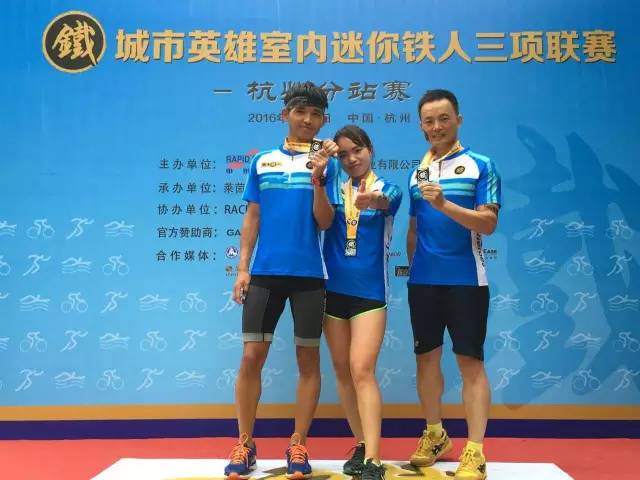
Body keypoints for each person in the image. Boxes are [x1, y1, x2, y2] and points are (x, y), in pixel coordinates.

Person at [223, 81, 340, 480]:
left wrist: (319, 179)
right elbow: (252, 217)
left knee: (308, 360)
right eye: (300, 112)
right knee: (250, 358)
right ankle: (244, 443)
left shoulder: (328, 163)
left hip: (309, 277)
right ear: (285, 114)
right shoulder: (263, 162)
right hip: (265, 276)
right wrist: (243, 269)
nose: (307, 120)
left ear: (323, 120)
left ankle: (298, 443)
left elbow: (325, 221)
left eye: (316, 114)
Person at [406, 89, 501, 480]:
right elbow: (414, 230)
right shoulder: (417, 172)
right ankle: (435, 435)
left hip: (467, 281)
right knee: (426, 360)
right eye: (429, 121)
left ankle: (475, 451)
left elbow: (488, 224)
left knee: (470, 364)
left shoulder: (481, 165)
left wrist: (444, 204)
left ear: (458, 120)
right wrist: (415, 272)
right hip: (424, 283)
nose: (436, 127)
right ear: (421, 126)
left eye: (443, 118)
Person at [323, 125, 402, 480]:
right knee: (342, 371)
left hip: (370, 294)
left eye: (357, 150)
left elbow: (389, 202)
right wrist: (322, 161)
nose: (351, 159)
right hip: (332, 292)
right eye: (343, 154)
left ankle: (374, 459)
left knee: (361, 369)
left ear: (370, 149)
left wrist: (375, 201)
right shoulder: (332, 190)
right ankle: (360, 442)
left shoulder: (388, 188)